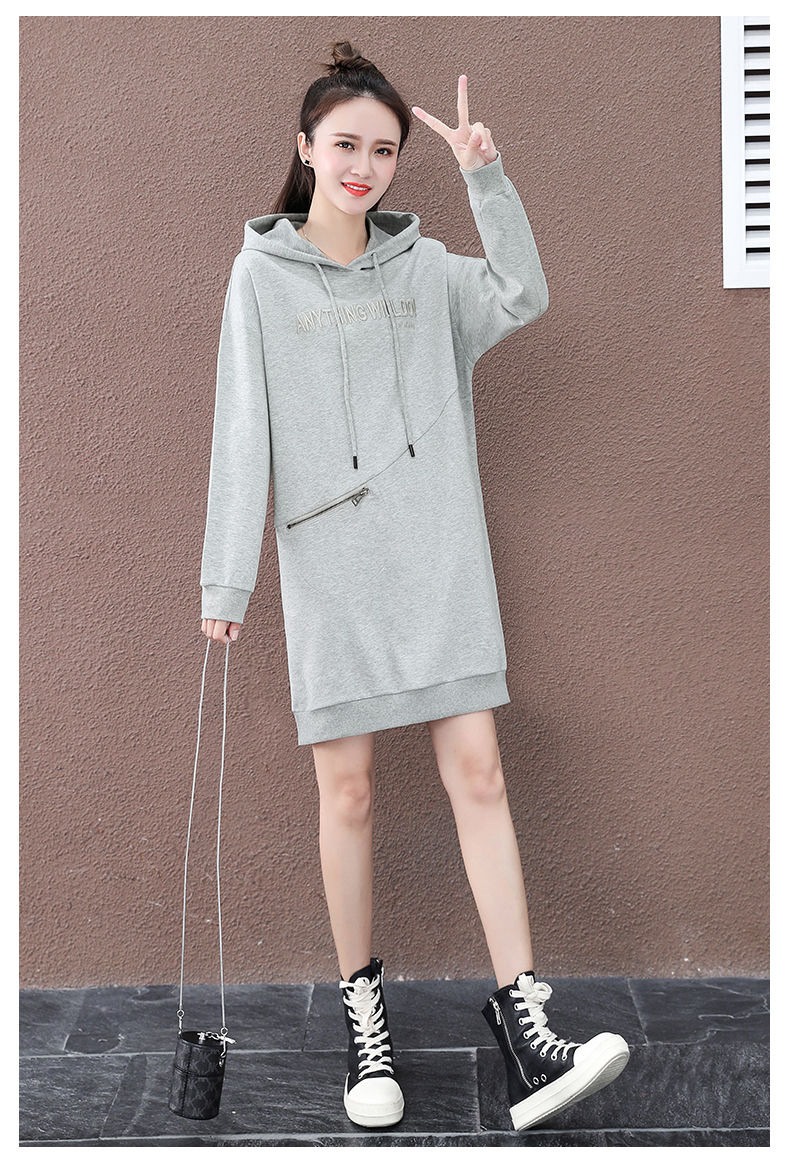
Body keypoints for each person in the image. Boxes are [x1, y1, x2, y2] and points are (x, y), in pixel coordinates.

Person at [199, 39, 630, 1133]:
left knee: (479, 770)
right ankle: (366, 1027)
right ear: (305, 149)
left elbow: (523, 294)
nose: (364, 167)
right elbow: (242, 431)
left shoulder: (429, 271)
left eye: (384, 151)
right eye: (345, 144)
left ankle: (528, 1029)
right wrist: (227, 579)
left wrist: (486, 176)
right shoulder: (259, 277)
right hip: (332, 570)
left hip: (439, 555)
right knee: (346, 793)